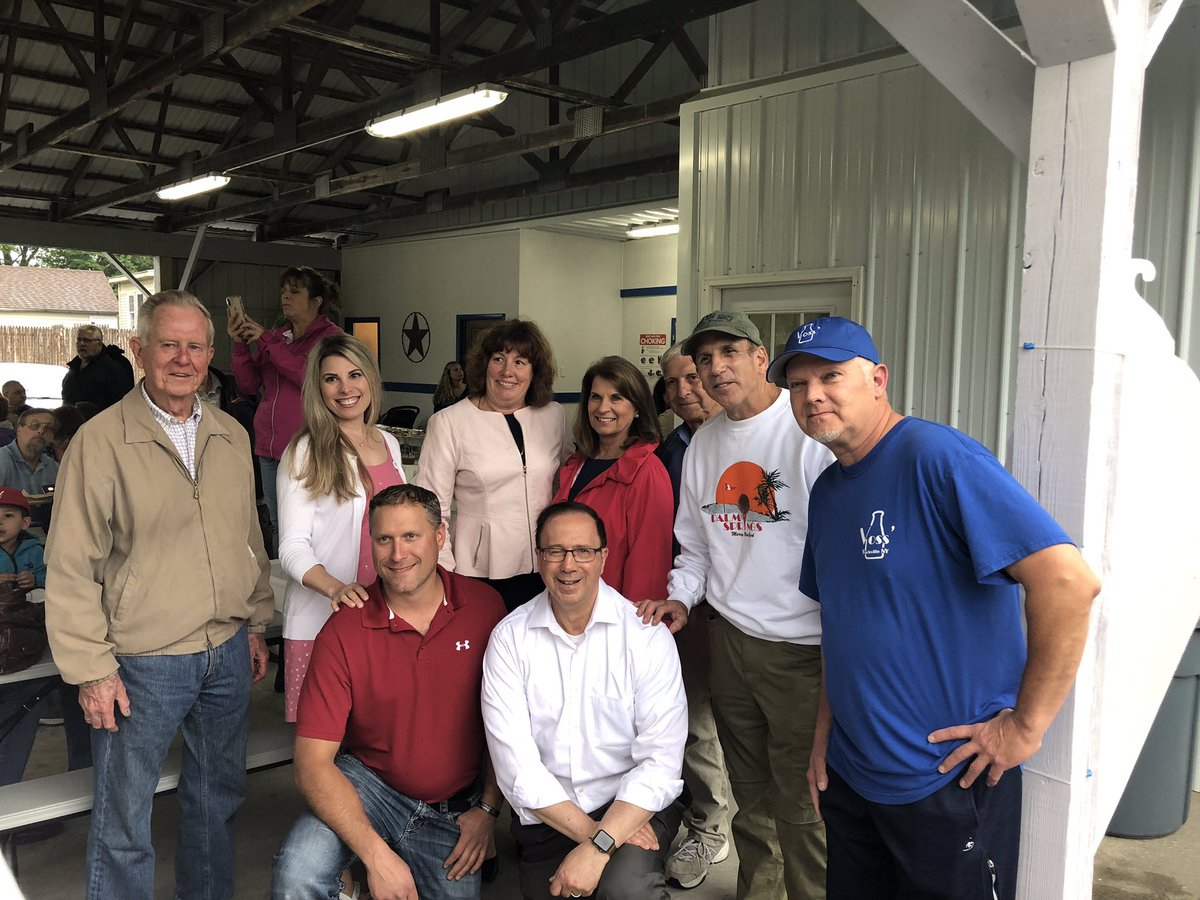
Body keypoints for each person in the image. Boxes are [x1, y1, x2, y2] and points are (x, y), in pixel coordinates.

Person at [769, 316, 1101, 900]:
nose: (812, 394)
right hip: (852, 774)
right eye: (797, 384)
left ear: (878, 380)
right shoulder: (828, 490)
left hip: (946, 779)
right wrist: (825, 736)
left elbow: (1068, 582)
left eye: (830, 376)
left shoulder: (936, 457)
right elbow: (841, 626)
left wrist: (1025, 727)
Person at [44, 290, 275, 900]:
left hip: (226, 649)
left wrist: (255, 622)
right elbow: (70, 564)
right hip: (142, 660)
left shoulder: (230, 434)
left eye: (195, 346)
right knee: (124, 816)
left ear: (210, 353)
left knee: (216, 799)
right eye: (168, 344)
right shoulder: (100, 441)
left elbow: (248, 538)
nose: (182, 359)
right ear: (139, 350)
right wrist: (91, 670)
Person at [638, 310, 834, 900]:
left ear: (760, 357)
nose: (716, 368)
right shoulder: (704, 443)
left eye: (729, 352)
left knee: (803, 805)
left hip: (801, 652)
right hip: (729, 641)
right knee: (750, 800)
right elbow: (697, 546)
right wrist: (680, 598)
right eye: (704, 358)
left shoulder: (807, 431)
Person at [271, 484, 507, 900]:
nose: (398, 554)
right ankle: (358, 873)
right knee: (298, 875)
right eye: (384, 539)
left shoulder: (485, 608)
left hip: (451, 809)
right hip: (367, 787)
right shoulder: (345, 629)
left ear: (440, 536)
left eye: (411, 536)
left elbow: (508, 727)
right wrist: (375, 855)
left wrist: (487, 811)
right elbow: (311, 764)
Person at [482, 501, 687, 900]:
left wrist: (601, 844)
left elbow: (660, 761)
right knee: (559, 889)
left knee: (626, 889)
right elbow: (516, 768)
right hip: (550, 813)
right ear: (539, 558)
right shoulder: (509, 639)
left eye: (583, 551)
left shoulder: (645, 636)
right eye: (555, 551)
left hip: (631, 805)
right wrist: (599, 840)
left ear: (603, 557)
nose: (568, 564)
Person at [277, 334, 405, 723]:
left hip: (385, 615)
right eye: (331, 379)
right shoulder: (305, 451)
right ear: (318, 388)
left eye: (354, 375)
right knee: (325, 740)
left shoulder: (389, 442)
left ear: (370, 378)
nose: (345, 389)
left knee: (378, 733)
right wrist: (337, 589)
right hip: (325, 619)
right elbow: (292, 547)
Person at [416, 319, 570, 612]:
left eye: (520, 362)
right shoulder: (449, 423)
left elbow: (564, 483)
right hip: (479, 570)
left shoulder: (553, 416)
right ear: (484, 364)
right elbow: (431, 510)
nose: (507, 371)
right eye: (498, 359)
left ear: (534, 371)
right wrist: (444, 574)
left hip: (546, 563)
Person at [654, 343, 731, 890]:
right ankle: (708, 821)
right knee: (694, 717)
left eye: (692, 377)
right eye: (672, 382)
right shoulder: (669, 450)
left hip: (739, 608)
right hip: (684, 602)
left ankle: (720, 819)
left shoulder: (744, 439)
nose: (683, 390)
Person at [230, 265, 343, 544]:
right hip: (269, 446)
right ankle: (284, 571)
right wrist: (240, 345)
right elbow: (248, 385)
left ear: (316, 301)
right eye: (283, 291)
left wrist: (267, 341)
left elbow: (309, 377)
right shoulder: (279, 337)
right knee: (277, 521)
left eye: (295, 291)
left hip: (308, 447)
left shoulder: (331, 338)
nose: (285, 297)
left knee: (309, 523)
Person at [551, 355, 673, 602]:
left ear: (637, 408)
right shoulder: (577, 463)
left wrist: (632, 621)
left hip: (612, 613)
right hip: (569, 604)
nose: (602, 408)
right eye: (596, 397)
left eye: (616, 398)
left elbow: (649, 567)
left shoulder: (647, 472)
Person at [0, 487, 48, 786]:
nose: (0, 522)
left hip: (24, 639)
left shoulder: (34, 549)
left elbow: (50, 576)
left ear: (25, 522)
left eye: (8, 515)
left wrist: (35, 578)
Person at [61, 324, 135, 411]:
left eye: (87, 340)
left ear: (99, 344)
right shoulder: (74, 367)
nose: (82, 344)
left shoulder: (111, 369)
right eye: (79, 340)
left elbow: (120, 403)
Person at [0, 408, 58, 496]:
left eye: (48, 428)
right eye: (34, 425)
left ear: (52, 436)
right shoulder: (2, 459)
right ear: (18, 430)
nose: (41, 431)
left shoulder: (53, 467)